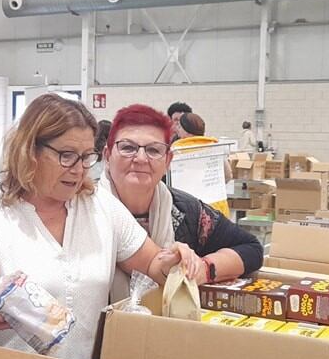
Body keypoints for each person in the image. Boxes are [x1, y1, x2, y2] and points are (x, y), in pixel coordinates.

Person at [0, 93, 202, 359]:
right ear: (30, 150)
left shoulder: (99, 206)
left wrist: (175, 260)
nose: (78, 169)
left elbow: (152, 262)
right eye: (66, 156)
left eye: (86, 157)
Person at [101, 104, 263, 301]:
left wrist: (203, 269)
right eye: (128, 148)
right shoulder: (85, 212)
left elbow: (251, 248)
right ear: (107, 156)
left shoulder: (185, 210)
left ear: (168, 161)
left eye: (154, 150)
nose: (141, 158)